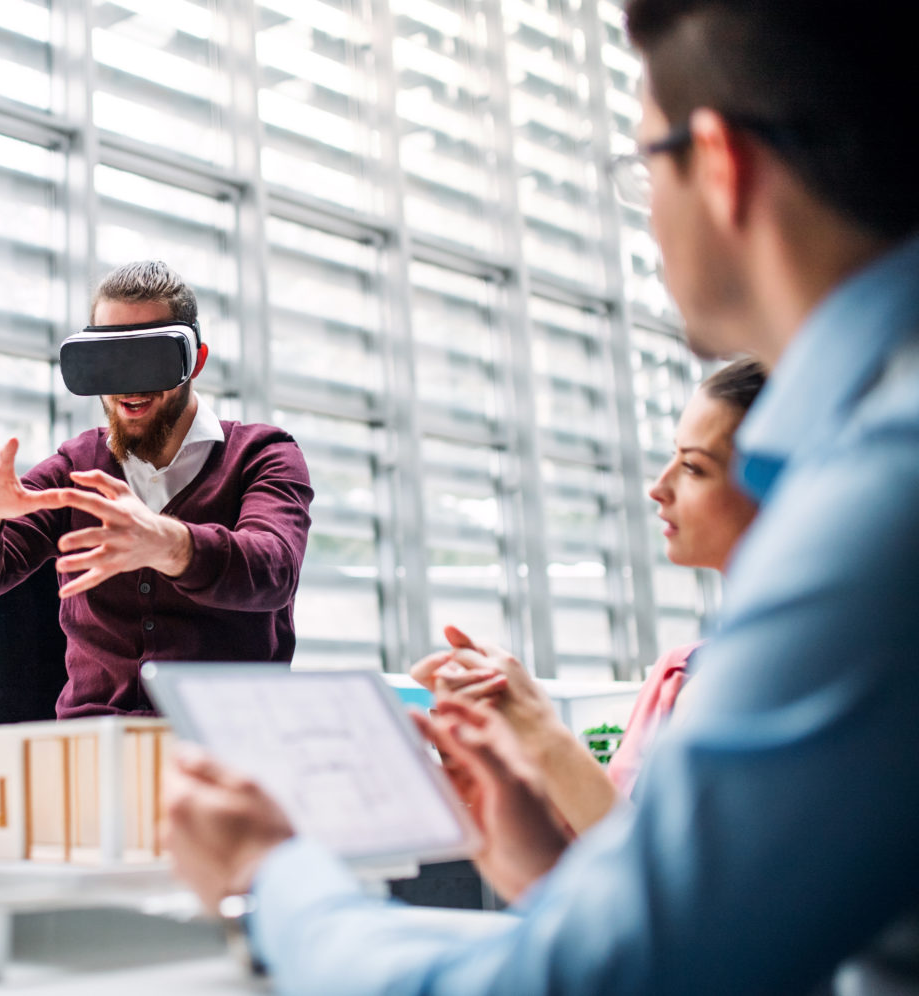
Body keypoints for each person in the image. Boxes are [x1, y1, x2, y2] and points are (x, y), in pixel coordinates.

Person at [165, 0, 919, 990]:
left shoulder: (880, 503)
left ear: (722, 163)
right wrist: (556, 873)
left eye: (643, 166)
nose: (644, 212)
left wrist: (274, 880)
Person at [0, 261, 313, 718]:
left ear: (195, 360)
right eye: (109, 360)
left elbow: (273, 569)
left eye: (149, 358)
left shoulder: (262, 454)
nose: (130, 385)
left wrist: (167, 543)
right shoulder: (75, 467)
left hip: (225, 746)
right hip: (93, 750)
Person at [412, 358, 766, 835]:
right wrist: (488, 761)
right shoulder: (676, 675)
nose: (658, 488)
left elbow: (667, 883)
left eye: (693, 467)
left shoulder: (816, 680)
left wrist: (540, 731)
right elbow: (602, 862)